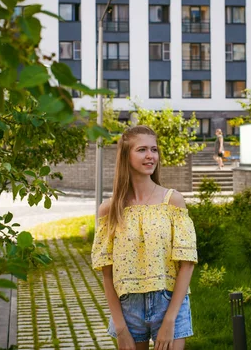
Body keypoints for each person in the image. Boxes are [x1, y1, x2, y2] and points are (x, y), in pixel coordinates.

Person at [92, 125, 198, 350]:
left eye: (154, 149)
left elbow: (187, 264)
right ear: (126, 156)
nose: (151, 156)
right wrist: (120, 328)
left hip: (170, 303)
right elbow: (107, 274)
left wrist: (170, 320)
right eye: (142, 150)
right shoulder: (109, 210)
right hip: (128, 308)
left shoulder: (173, 201)